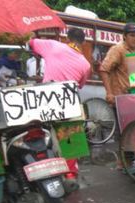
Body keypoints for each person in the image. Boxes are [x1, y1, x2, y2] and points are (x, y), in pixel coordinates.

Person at [29, 28, 92, 192]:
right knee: (69, 137)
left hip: (44, 100)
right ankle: (70, 175)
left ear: (67, 37)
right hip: (67, 102)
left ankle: (40, 171)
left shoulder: (52, 46)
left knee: (40, 133)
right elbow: (80, 84)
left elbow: (31, 43)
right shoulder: (85, 64)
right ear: (83, 42)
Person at [99, 23, 135, 106]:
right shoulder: (118, 49)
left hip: (133, 97)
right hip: (119, 99)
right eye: (132, 35)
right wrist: (109, 93)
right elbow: (103, 69)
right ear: (125, 36)